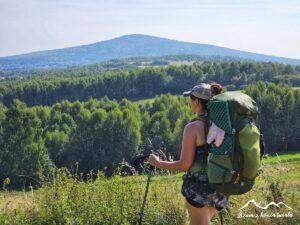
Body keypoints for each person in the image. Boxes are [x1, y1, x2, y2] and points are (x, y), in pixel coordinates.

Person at [148, 82, 228, 225]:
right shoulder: (221, 124)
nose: (190, 103)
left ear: (196, 101)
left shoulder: (193, 128)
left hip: (199, 189)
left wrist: (158, 163)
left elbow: (185, 164)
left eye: (191, 99)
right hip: (221, 185)